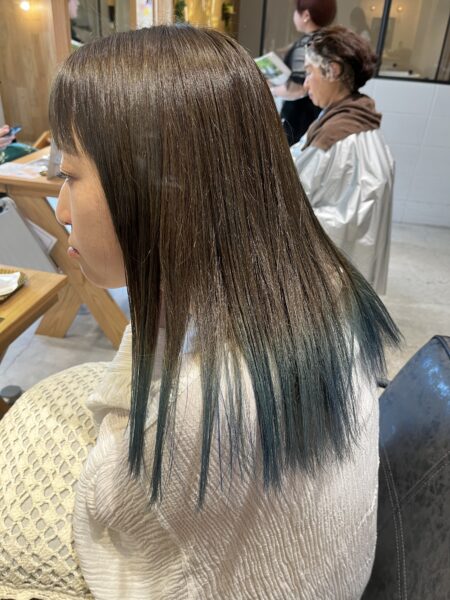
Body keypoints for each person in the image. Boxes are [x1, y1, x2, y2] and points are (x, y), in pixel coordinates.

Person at [2, 25, 400, 600]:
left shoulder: (190, 409)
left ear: (163, 187)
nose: (61, 209)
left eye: (68, 176)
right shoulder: (325, 283)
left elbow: (104, 511)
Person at [291, 26, 394, 295]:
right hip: (351, 268)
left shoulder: (335, 136)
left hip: (332, 272)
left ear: (333, 71)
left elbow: (295, 193)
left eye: (310, 72)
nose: (306, 84)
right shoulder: (359, 116)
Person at [271, 0, 336, 146]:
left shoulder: (304, 45)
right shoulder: (326, 39)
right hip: (317, 114)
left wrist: (272, 90)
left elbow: (298, 88)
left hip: (299, 116)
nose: (294, 15)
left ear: (306, 15)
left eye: (296, 11)